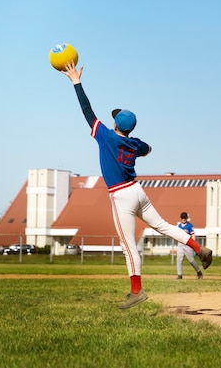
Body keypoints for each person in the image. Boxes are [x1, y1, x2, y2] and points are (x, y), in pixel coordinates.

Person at [61, 62, 212, 309]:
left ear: (116, 125)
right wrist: (134, 139)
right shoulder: (135, 144)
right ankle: (199, 248)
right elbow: (148, 149)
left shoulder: (106, 136)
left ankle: (137, 291)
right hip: (138, 191)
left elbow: (87, 110)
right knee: (163, 226)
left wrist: (76, 81)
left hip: (122, 196)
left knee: (128, 245)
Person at [176, 212, 203, 280]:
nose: (183, 219)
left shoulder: (189, 225)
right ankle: (179, 275)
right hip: (180, 244)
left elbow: (193, 235)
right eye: (182, 218)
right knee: (179, 259)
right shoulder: (178, 226)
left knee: (191, 260)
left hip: (188, 245)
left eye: (184, 218)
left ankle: (199, 272)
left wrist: (193, 245)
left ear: (187, 218)